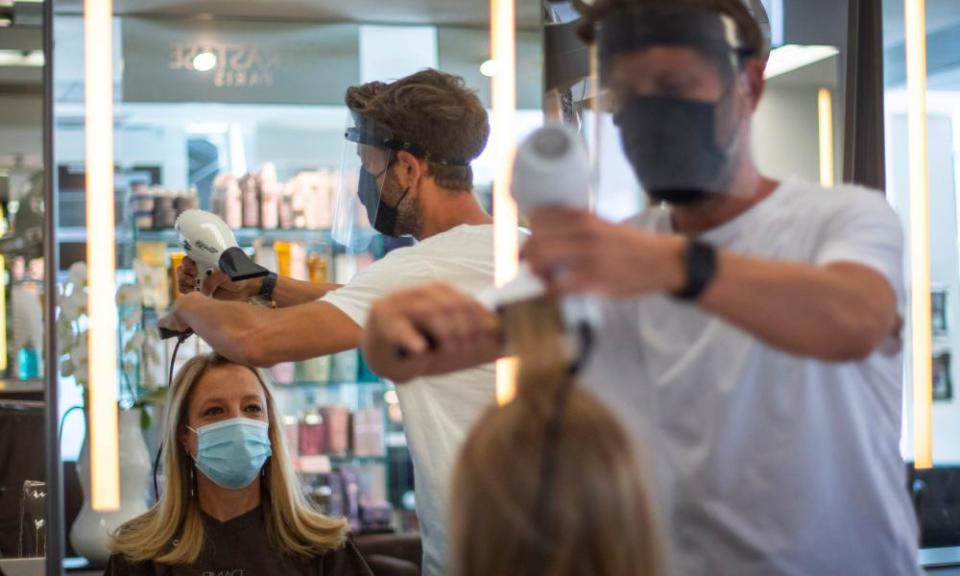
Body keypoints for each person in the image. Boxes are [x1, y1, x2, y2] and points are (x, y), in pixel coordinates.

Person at [361, 1, 921, 574]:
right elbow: (439, 343)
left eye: (675, 84)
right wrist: (393, 330)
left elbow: (857, 317)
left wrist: (670, 265)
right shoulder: (612, 258)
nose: (652, 113)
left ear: (749, 84)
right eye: (629, 93)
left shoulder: (840, 221)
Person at [161, 69, 500, 576]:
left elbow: (255, 342)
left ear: (408, 169)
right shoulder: (514, 248)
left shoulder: (419, 269)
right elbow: (365, 300)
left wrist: (186, 307)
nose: (366, 186)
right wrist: (264, 286)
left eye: (370, 167)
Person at [104, 354, 372, 575]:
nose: (238, 423)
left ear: (270, 427)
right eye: (214, 411)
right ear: (185, 437)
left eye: (252, 408)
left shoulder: (322, 546)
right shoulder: (140, 554)